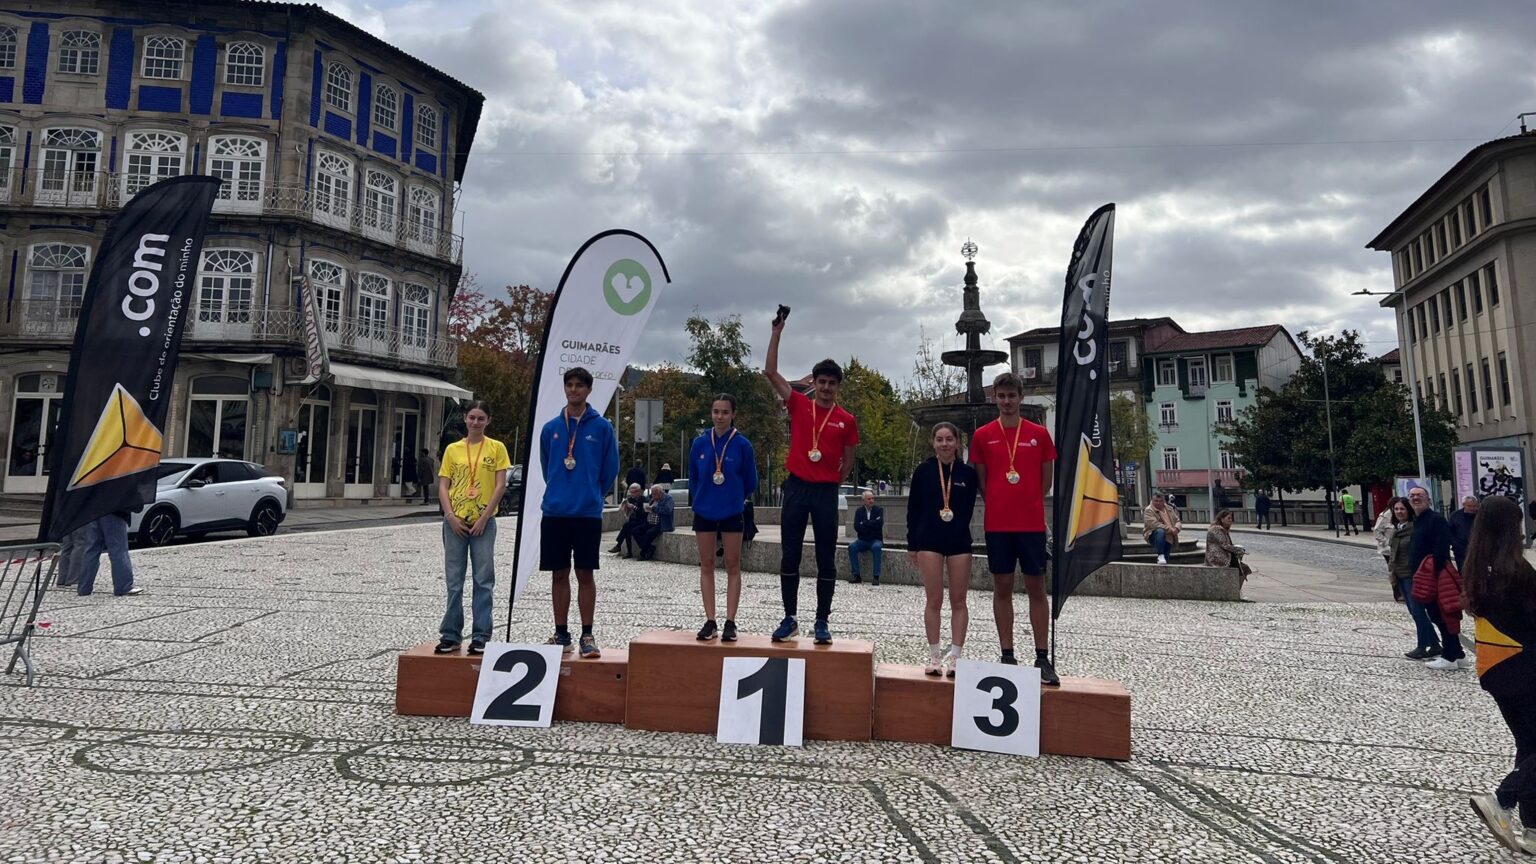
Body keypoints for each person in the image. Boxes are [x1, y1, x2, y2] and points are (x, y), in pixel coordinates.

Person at [764, 312, 859, 645]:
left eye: (832, 383)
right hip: (796, 487)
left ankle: (822, 621)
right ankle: (789, 618)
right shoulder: (799, 405)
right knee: (789, 554)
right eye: (822, 382)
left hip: (824, 493)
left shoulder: (846, 419)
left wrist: (831, 480)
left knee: (825, 558)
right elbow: (771, 372)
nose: (826, 388)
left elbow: (847, 460)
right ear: (815, 383)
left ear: (837, 387)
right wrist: (777, 333)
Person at [971, 372, 1059, 684]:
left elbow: (1045, 480)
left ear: (1021, 398)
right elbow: (982, 482)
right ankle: (1007, 653)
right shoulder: (983, 436)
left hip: (1032, 524)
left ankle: (1042, 657)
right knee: (1002, 587)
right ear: (994, 397)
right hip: (998, 524)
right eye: (1001, 395)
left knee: (1037, 588)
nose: (1007, 401)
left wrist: (1027, 500)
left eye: (1012, 396)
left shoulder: (1039, 434)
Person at [1462, 494, 1536, 854]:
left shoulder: (1477, 568)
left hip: (1494, 668)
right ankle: (1502, 799)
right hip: (1525, 668)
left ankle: (1533, 829)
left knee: (1530, 744)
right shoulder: (1517, 572)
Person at [539, 367, 620, 660]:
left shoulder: (602, 428)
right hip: (556, 511)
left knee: (585, 573)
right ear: (565, 389)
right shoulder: (550, 428)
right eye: (569, 385)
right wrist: (561, 490)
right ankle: (561, 633)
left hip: (587, 512)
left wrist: (592, 493)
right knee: (558, 573)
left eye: (579, 386)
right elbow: (548, 465)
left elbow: (610, 468)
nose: (573, 390)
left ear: (588, 390)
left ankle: (587, 633)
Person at [434, 402, 509, 655]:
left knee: (483, 580)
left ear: (488, 421)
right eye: (472, 418)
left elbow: (500, 485)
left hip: (483, 523)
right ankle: (451, 634)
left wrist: (485, 517)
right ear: (465, 420)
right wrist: (450, 515)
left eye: (481, 418)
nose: (476, 422)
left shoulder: (496, 448)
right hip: (455, 521)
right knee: (454, 580)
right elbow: (444, 485)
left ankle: (481, 635)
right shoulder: (453, 450)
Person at [905, 422, 979, 677]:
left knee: (959, 600)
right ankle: (934, 655)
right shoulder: (924, 471)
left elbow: (968, 508)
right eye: (939, 439)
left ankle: (956, 657)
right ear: (933, 443)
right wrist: (912, 544)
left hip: (958, 541)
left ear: (958, 443)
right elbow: (913, 509)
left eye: (949, 439)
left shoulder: (968, 475)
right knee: (933, 599)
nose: (945, 444)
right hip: (928, 540)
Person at [688, 394, 759, 642]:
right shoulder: (699, 443)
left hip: (731, 512)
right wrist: (700, 499)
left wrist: (735, 498)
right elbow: (694, 477)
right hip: (704, 511)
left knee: (732, 564)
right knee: (706, 564)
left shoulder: (742, 445)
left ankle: (730, 621)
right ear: (711, 413)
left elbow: (751, 481)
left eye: (725, 412)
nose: (720, 417)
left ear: (733, 414)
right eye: (716, 411)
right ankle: (710, 621)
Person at [1407, 486, 1468, 670]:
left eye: (1420, 495)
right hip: (1425, 575)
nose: (1415, 498)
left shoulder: (1436, 520)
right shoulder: (1418, 520)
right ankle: (1458, 654)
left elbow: (1441, 549)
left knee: (1442, 615)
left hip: (1434, 577)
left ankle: (1449, 657)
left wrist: (1433, 574)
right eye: (1412, 496)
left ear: (1428, 500)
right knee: (1439, 615)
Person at [1384, 496, 1439, 659]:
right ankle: (1435, 644)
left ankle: (1422, 646)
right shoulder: (1397, 529)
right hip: (1399, 574)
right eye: (1396, 509)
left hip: (1412, 575)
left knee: (1418, 612)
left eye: (1402, 509)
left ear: (1409, 510)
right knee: (1414, 611)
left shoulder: (1414, 529)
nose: (1399, 512)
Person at [73, 511, 142, 597]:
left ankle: (84, 588)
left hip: (93, 511)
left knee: (91, 550)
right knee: (118, 550)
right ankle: (123, 586)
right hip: (114, 511)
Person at [1203, 510, 1251, 583]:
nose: (1230, 520)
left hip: (1222, 555)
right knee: (1242, 568)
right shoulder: (1216, 529)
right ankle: (1236, 590)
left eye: (1231, 518)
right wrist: (1239, 550)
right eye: (1228, 518)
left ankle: (1236, 589)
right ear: (1222, 519)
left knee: (1243, 568)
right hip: (1217, 557)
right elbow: (1225, 545)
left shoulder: (1221, 529)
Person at [849, 491, 885, 585]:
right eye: (869, 499)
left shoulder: (879, 510)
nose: (872, 501)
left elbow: (879, 524)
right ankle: (856, 575)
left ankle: (876, 577)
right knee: (852, 547)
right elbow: (857, 527)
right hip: (863, 540)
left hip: (875, 539)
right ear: (863, 501)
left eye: (873, 498)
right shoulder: (859, 511)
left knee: (876, 547)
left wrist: (865, 523)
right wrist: (871, 525)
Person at [1373, 500, 1403, 602]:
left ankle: (1403, 591)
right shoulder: (1386, 515)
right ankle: (1397, 593)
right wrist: (1387, 542)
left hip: (1400, 548)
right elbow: (1377, 531)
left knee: (1402, 569)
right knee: (1394, 570)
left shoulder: (1403, 514)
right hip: (1388, 550)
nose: (1399, 510)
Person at [637, 484, 675, 560]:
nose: (653, 496)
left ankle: (643, 553)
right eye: (652, 493)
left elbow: (667, 510)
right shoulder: (653, 499)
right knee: (636, 531)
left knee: (649, 533)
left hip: (662, 524)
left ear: (660, 492)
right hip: (650, 522)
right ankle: (649, 548)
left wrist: (654, 508)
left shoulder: (668, 499)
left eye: (655, 494)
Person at [1142, 492, 1182, 565]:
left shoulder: (1169, 508)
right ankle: (1160, 554)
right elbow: (1154, 524)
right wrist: (1170, 529)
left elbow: (1177, 520)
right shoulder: (1149, 510)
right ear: (1152, 500)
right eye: (1156, 501)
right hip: (1154, 534)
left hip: (1170, 536)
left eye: (1160, 501)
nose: (1158, 503)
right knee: (1160, 531)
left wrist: (1176, 528)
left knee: (1165, 560)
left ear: (1164, 501)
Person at [609, 483, 647, 558]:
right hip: (633, 520)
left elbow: (644, 512)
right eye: (631, 492)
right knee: (627, 530)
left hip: (641, 520)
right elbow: (623, 510)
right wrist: (624, 506)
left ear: (639, 492)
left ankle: (619, 545)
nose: (632, 494)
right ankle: (629, 552)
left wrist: (634, 507)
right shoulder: (630, 500)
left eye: (634, 492)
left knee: (626, 526)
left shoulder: (644, 499)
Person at [1449, 496, 1479, 569]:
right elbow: (1450, 532)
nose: (1472, 508)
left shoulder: (1480, 515)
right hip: (1460, 551)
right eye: (1469, 506)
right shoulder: (1455, 516)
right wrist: (1455, 545)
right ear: (1464, 505)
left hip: (1478, 550)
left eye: (1474, 506)